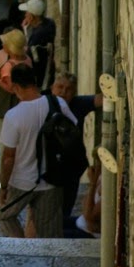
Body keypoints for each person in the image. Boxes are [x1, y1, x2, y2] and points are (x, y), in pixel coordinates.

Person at [0, 63, 75, 239]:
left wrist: (3, 187)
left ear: (16, 87)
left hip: (21, 182)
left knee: (3, 214)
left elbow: (8, 158)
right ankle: (47, 255)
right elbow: (73, 131)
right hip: (52, 180)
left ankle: (21, 247)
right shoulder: (58, 103)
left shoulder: (13, 116)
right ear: (34, 82)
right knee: (49, 234)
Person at [51, 72, 103, 224]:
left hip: (71, 167)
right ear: (52, 87)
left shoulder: (77, 104)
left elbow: (101, 99)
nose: (63, 92)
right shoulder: (44, 103)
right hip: (50, 167)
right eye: (60, 87)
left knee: (65, 206)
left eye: (69, 89)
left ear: (74, 92)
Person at [20, 0, 57, 88]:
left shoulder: (38, 35)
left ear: (32, 17)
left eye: (27, 13)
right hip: (49, 69)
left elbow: (29, 53)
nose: (25, 15)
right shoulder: (50, 23)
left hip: (41, 75)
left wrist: (25, 30)